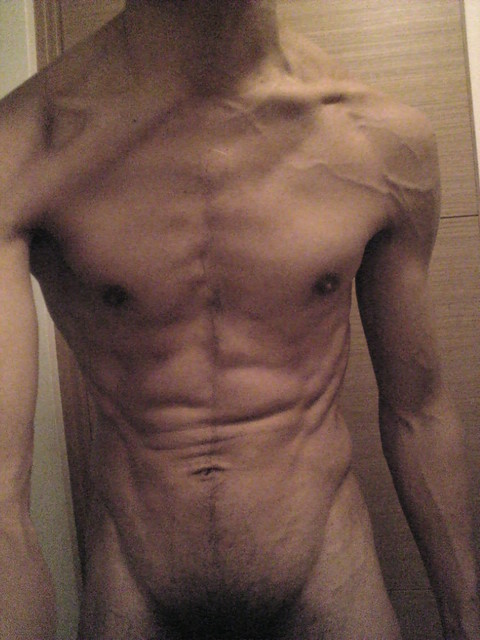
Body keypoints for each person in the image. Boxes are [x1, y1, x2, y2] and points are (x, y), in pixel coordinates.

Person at [0, 1, 478, 638]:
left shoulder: (382, 142)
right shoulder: (24, 145)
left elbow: (420, 409)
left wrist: (466, 617)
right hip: (133, 577)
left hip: (330, 566)